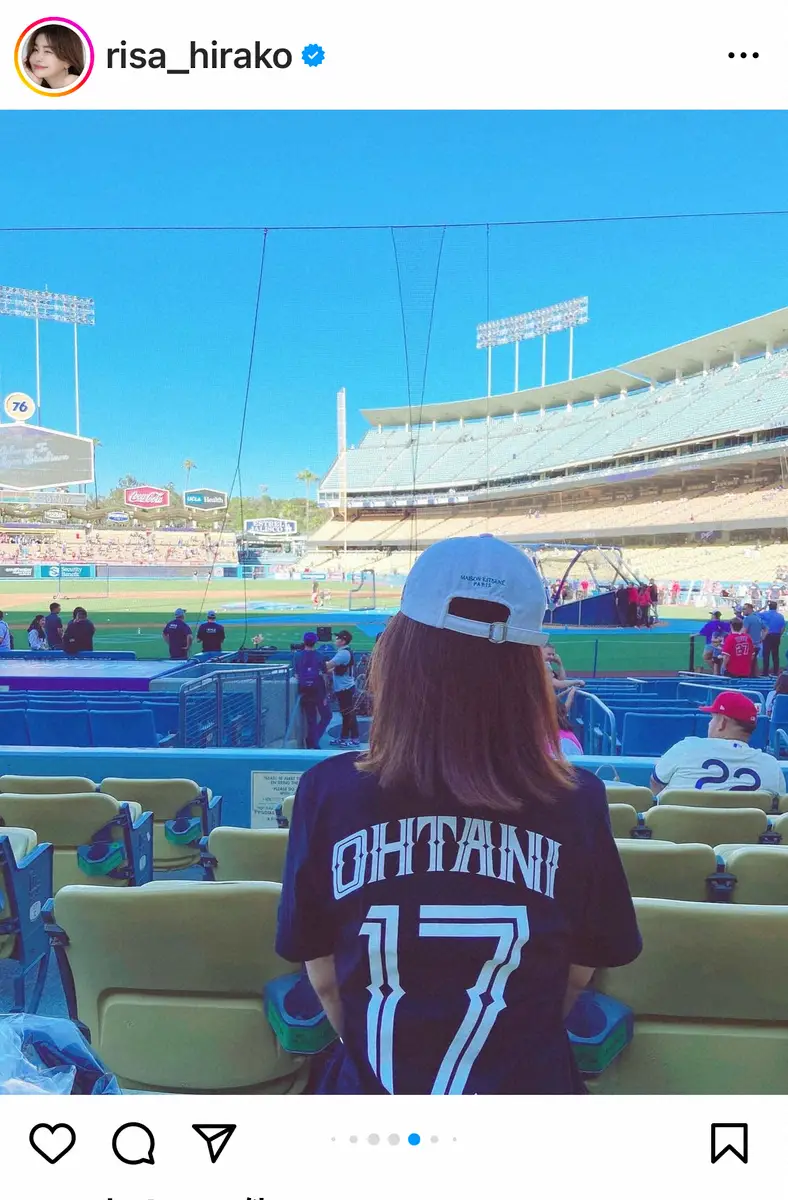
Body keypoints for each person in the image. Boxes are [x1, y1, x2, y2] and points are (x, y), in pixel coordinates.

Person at [276, 534, 641, 1095]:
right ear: (528, 670)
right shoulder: (580, 799)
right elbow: (575, 978)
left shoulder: (328, 791)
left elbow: (324, 980)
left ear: (400, 654)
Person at [651, 692, 785, 796]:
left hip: (683, 830)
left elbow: (656, 784)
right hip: (744, 832)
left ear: (722, 723)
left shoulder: (686, 748)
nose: (710, 723)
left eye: (713, 718)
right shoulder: (770, 765)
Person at [294, 632, 331, 750]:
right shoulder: (320, 655)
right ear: (315, 642)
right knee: (327, 716)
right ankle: (313, 741)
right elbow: (325, 676)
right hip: (318, 691)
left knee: (311, 719)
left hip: (304, 691)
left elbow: (296, 675)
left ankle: (311, 741)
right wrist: (326, 694)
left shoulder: (297, 656)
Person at [23, 24, 85, 90]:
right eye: (35, 50)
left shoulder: (73, 82)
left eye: (48, 51)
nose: (38, 58)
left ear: (68, 61)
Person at [326, 630, 359, 747]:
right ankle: (344, 737)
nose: (336, 640)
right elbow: (334, 669)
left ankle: (354, 739)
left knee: (348, 714)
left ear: (343, 641)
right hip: (345, 688)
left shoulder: (343, 653)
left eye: (338, 638)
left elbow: (328, 666)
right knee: (346, 714)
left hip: (345, 689)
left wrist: (318, 662)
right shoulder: (344, 652)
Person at [760, 600, 786, 676]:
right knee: (775, 654)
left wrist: (763, 607)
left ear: (769, 607)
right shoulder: (780, 616)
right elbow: (783, 627)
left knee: (766, 654)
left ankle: (765, 673)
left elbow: (754, 614)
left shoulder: (764, 614)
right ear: (776, 607)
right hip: (776, 636)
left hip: (768, 636)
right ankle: (775, 672)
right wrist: (779, 635)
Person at [740, 603, 766, 676]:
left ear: (750, 609)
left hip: (749, 645)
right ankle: (754, 675)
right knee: (753, 661)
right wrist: (762, 638)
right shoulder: (758, 618)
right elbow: (766, 629)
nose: (743, 611)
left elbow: (743, 632)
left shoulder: (747, 619)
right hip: (757, 645)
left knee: (748, 662)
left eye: (744, 609)